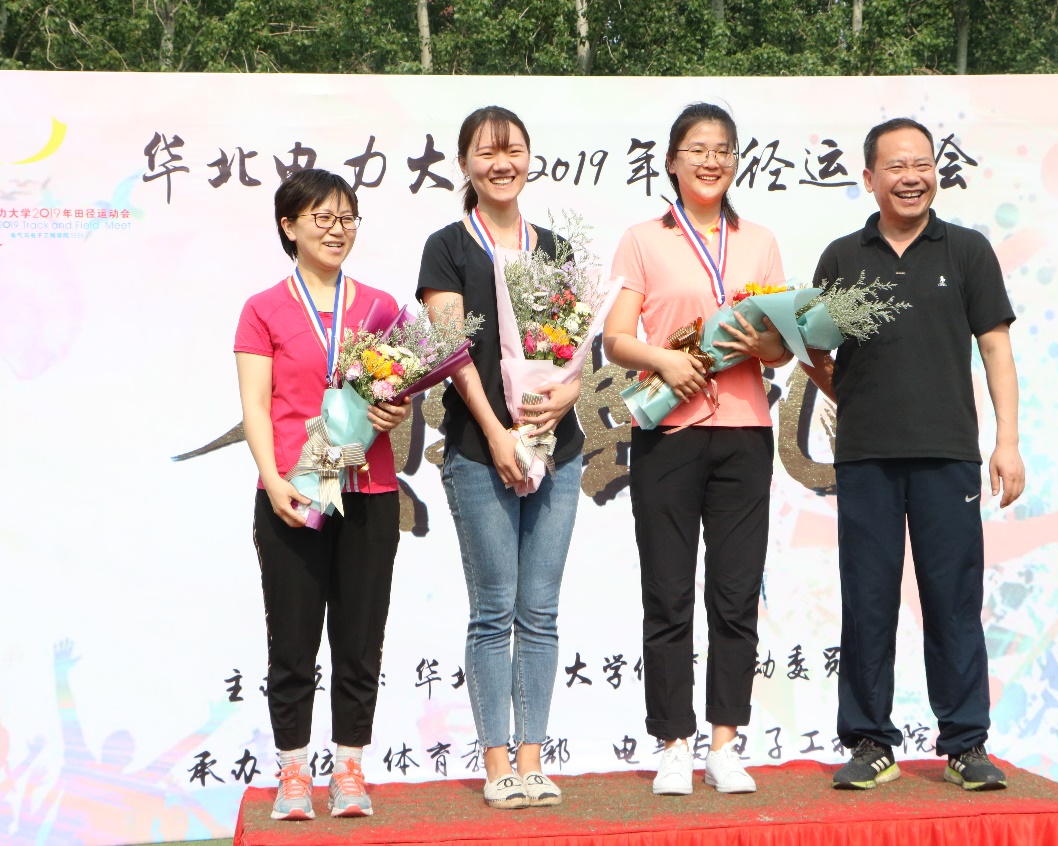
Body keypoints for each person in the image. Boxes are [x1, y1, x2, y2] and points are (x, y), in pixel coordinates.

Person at [802, 117, 1025, 791]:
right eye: (896, 166)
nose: (911, 177)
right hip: (865, 455)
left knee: (952, 598)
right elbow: (814, 348)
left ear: (936, 172)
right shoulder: (842, 257)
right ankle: (869, 741)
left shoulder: (966, 250)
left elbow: (995, 348)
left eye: (922, 164)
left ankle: (965, 743)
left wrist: (1007, 441)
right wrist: (849, 390)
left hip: (947, 453)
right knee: (867, 598)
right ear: (869, 177)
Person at [602, 102, 792, 796]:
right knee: (668, 593)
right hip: (668, 435)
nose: (710, 161)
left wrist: (762, 343)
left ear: (736, 162)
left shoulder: (760, 241)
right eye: (697, 150)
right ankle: (673, 744)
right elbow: (615, 338)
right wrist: (665, 360)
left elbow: (782, 348)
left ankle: (725, 744)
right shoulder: (642, 239)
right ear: (672, 162)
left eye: (722, 150)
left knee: (736, 594)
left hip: (744, 433)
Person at [416, 106, 583, 810]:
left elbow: (575, 347)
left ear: (529, 158)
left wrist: (565, 397)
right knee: (494, 610)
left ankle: (533, 760)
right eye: (486, 153)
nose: (501, 163)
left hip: (557, 449)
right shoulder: (448, 246)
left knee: (539, 612)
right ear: (464, 165)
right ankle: (496, 766)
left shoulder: (556, 248)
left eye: (512, 149)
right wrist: (494, 432)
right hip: (479, 449)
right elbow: (451, 353)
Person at [234, 168, 410, 820]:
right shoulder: (263, 309)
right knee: (293, 639)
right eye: (323, 218)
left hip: (368, 490)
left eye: (347, 218)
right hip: (294, 494)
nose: (338, 230)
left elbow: (397, 395)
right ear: (289, 226)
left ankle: (350, 768)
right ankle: (292, 773)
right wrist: (273, 477)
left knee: (360, 639)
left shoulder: (381, 307)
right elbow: (255, 405)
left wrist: (395, 411)